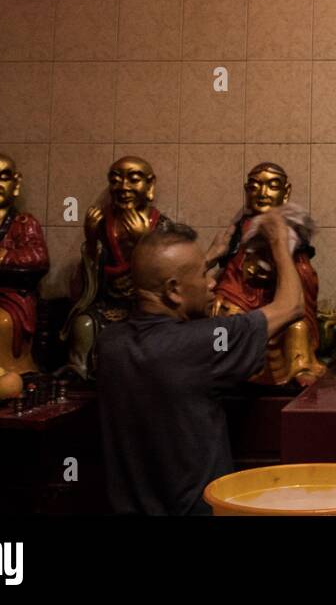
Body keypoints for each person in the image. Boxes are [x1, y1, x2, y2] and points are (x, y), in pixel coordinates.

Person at [95, 213, 306, 515]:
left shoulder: (110, 344)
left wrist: (207, 257)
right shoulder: (201, 344)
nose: (211, 282)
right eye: (202, 274)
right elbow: (292, 306)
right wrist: (280, 243)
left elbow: (159, 290)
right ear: (173, 289)